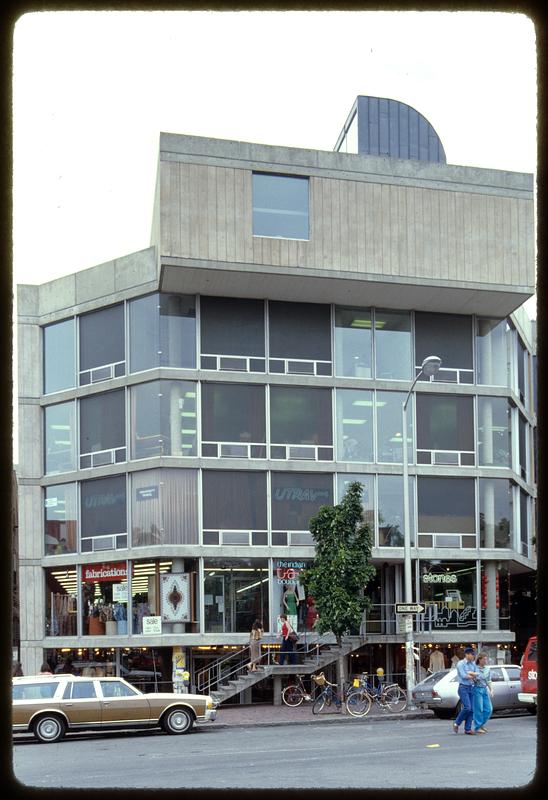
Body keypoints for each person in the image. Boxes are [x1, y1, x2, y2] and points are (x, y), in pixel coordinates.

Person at [453, 646, 479, 735]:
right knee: (467, 707)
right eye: (472, 655)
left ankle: (467, 729)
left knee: (472, 710)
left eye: (474, 655)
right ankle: (457, 723)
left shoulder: (473, 664)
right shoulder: (461, 664)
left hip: (471, 687)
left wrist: (472, 674)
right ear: (467, 654)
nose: (473, 656)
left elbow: (477, 674)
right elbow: (464, 675)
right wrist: (473, 675)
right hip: (463, 687)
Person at [473, 651, 493, 734]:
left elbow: (488, 680)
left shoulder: (487, 669)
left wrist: (491, 690)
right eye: (484, 659)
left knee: (489, 709)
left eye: (486, 659)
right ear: (480, 660)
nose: (486, 661)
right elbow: (471, 679)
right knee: (479, 709)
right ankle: (477, 727)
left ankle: (481, 724)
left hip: (484, 689)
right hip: (477, 689)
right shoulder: (474, 668)